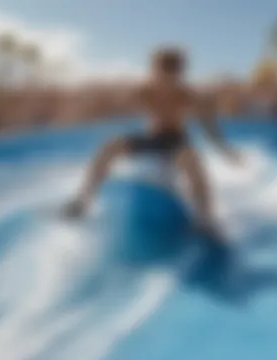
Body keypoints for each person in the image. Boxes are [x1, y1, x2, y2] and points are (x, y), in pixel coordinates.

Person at [66, 47, 242, 233]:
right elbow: (114, 104)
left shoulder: (188, 96)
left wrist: (226, 150)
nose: (163, 82)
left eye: (170, 76)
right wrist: (92, 109)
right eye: (158, 74)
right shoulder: (144, 92)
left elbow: (209, 127)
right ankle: (82, 201)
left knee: (192, 163)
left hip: (176, 141)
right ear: (154, 71)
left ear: (179, 74)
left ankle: (205, 220)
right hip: (152, 138)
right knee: (110, 146)